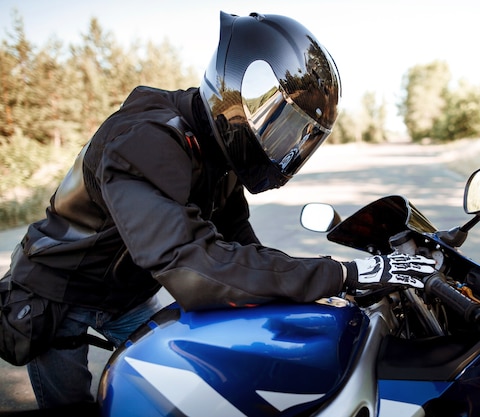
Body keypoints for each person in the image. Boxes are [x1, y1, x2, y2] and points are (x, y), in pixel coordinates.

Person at [2, 11, 436, 409]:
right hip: (58, 292)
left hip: (125, 293)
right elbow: (194, 266)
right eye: (277, 122)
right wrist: (344, 271)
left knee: (181, 383)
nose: (286, 144)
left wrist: (328, 289)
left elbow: (242, 249)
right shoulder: (143, 142)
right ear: (236, 91)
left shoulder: (218, 156)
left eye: (298, 134)